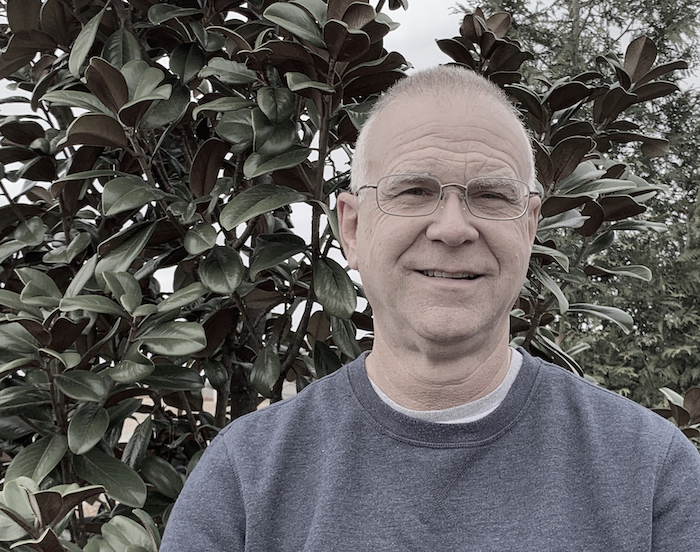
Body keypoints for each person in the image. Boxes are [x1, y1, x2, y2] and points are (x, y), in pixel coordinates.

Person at [159, 66, 700, 551]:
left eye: (491, 196)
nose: (453, 228)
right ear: (352, 228)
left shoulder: (654, 474)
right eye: (414, 191)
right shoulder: (244, 479)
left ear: (530, 227)